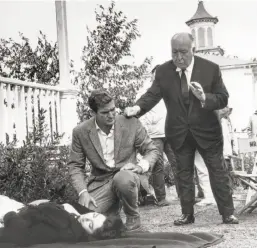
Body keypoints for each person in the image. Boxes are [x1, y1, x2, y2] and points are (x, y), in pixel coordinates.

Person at [125, 32, 238, 225]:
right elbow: (151, 95)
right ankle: (187, 214)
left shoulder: (211, 69)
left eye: (183, 52)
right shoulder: (163, 71)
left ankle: (227, 213)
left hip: (208, 132)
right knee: (183, 174)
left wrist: (205, 98)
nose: (178, 57)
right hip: (179, 133)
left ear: (192, 50)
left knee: (218, 171)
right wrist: (137, 108)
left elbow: (223, 97)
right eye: (174, 52)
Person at [68, 89, 159, 232]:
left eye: (113, 110)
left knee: (122, 178)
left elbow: (152, 150)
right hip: (101, 183)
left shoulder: (131, 123)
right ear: (93, 113)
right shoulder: (80, 131)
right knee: (84, 219)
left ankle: (132, 216)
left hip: (127, 177)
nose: (111, 115)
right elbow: (75, 166)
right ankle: (112, 211)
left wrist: (141, 167)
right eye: (105, 113)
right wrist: (83, 192)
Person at [0, 196, 125, 246]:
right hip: (21, 207)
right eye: (95, 215)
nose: (87, 217)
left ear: (90, 235)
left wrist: (9, 215)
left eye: (90, 224)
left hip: (11, 214)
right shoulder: (80, 214)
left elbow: (22, 235)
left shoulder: (65, 228)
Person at [139, 65, 178, 206]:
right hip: (154, 136)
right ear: (152, 77)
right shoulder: (148, 94)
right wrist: (151, 123)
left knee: (177, 163)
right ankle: (161, 198)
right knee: (158, 166)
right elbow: (142, 115)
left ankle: (184, 195)